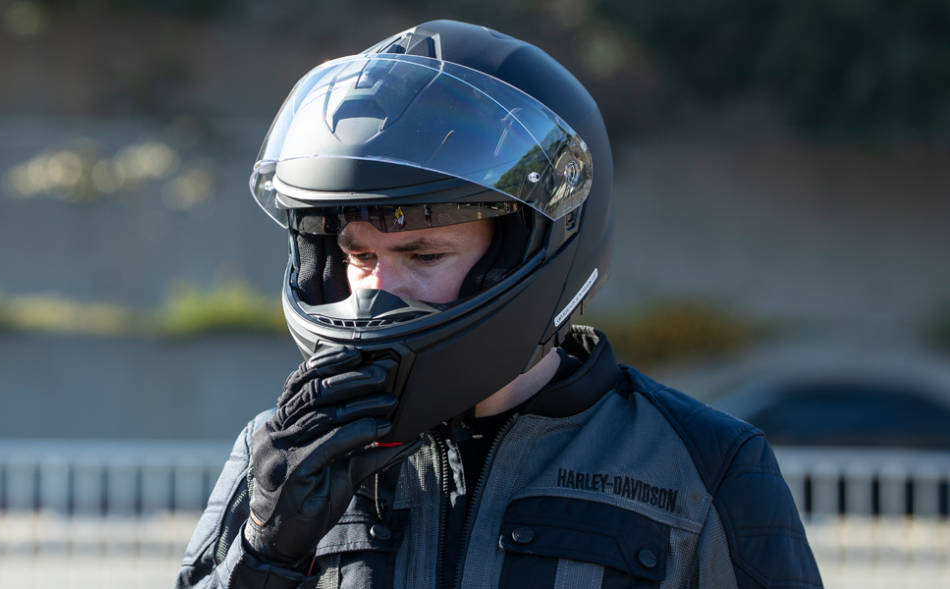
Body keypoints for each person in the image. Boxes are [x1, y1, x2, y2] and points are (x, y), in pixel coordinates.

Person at [176, 19, 822, 589]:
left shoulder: (701, 463)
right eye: (359, 256)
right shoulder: (284, 449)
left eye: (424, 255)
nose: (376, 289)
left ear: (524, 252)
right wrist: (266, 551)